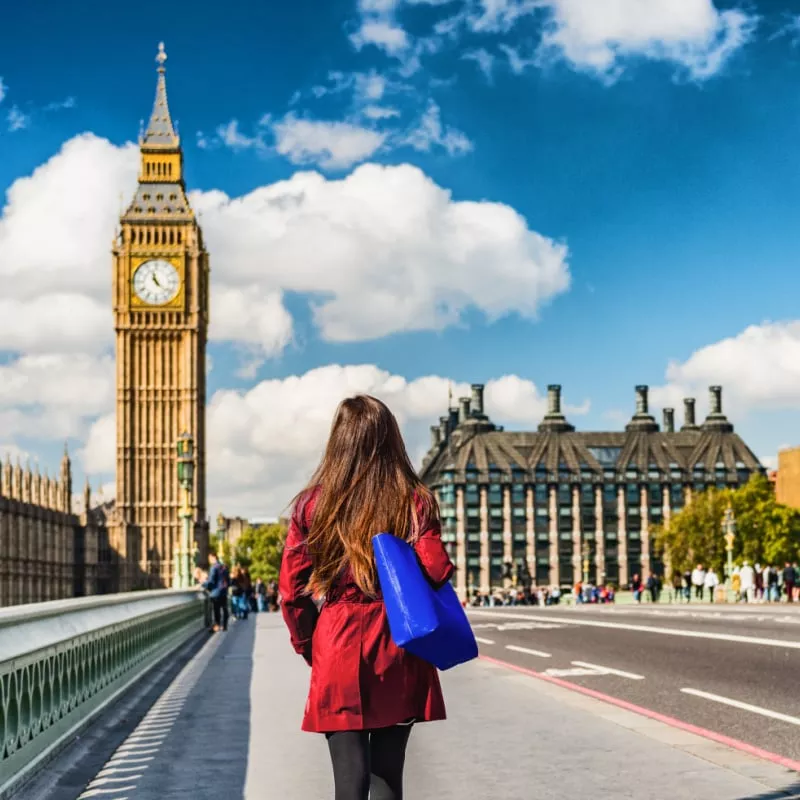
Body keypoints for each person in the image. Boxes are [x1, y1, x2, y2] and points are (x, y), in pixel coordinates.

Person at [280, 395, 454, 800]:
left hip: (337, 641)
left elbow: (292, 592)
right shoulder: (414, 499)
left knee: (349, 782)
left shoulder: (311, 505)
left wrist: (310, 645)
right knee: (388, 778)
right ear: (390, 439)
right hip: (398, 642)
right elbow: (437, 571)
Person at [202, 550, 229, 632]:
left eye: (209, 558)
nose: (209, 560)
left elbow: (211, 581)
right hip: (224, 590)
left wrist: (204, 585)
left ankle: (216, 626)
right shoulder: (224, 566)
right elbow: (228, 580)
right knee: (224, 608)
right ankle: (224, 626)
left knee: (216, 609)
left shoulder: (214, 567)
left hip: (216, 592)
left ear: (213, 557)